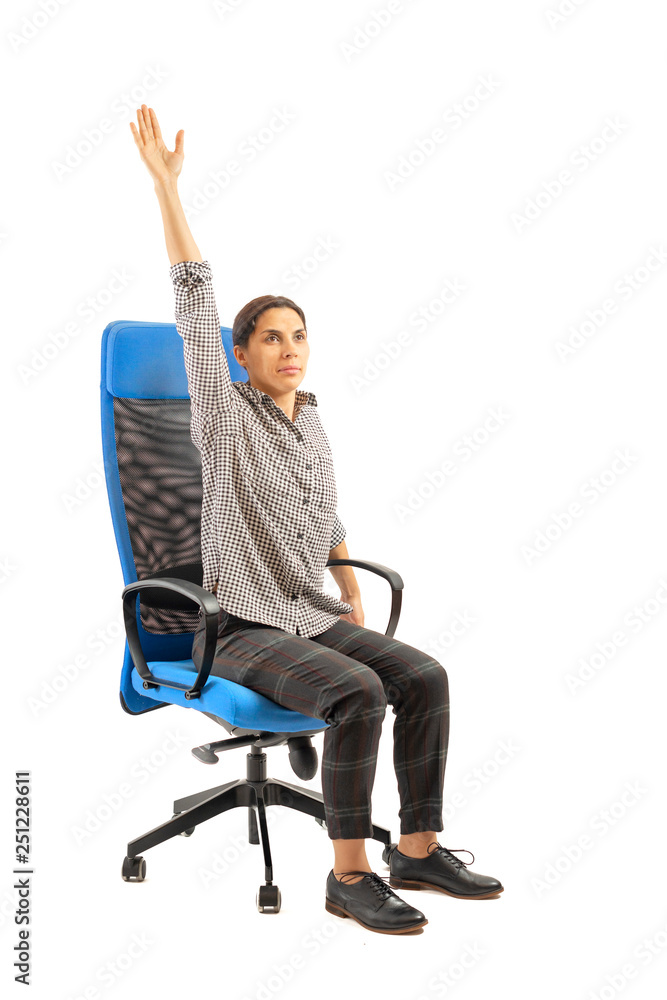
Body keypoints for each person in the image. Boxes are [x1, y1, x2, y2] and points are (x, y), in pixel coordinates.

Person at [130, 104, 503, 935]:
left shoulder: (311, 418)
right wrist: (167, 190)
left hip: (310, 614)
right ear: (239, 355)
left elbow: (324, 510)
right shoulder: (224, 416)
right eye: (269, 338)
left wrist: (348, 586)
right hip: (236, 626)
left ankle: (417, 849)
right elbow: (194, 302)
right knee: (359, 693)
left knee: (425, 677)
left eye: (297, 335)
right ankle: (348, 875)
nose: (288, 348)